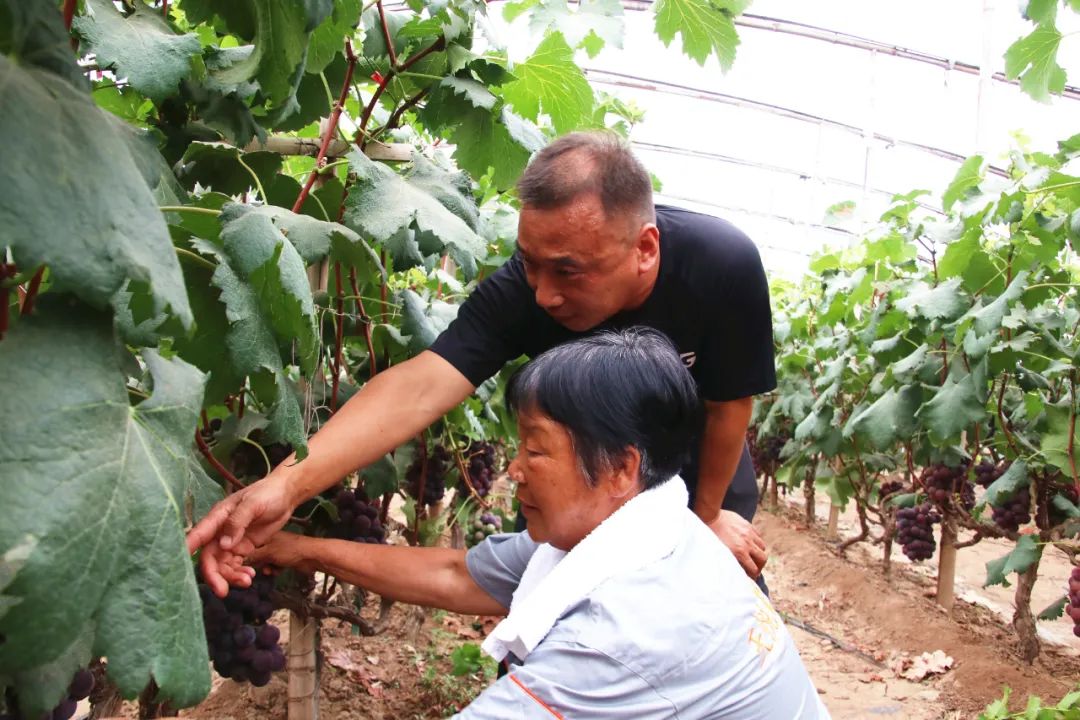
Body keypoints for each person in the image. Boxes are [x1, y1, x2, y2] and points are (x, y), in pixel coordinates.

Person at [188, 131, 776, 595]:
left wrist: (704, 522)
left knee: (702, 621)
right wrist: (286, 485)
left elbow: (728, 408)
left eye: (567, 270)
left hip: (699, 484)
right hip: (579, 495)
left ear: (645, 248)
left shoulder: (720, 264)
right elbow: (420, 387)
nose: (543, 293)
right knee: (547, 630)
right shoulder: (527, 287)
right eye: (529, 262)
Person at [246, 330, 828, 719]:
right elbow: (457, 573)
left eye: (536, 449)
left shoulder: (619, 638)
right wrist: (298, 549)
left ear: (622, 467)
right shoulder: (648, 532)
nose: (514, 471)